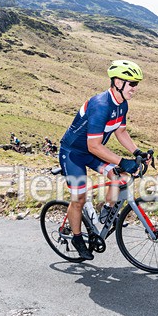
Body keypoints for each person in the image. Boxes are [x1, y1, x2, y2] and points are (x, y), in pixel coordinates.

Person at [59, 59, 148, 260]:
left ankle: (106, 213)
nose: (135, 88)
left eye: (137, 84)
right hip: (73, 153)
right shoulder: (100, 105)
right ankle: (77, 237)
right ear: (118, 82)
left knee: (118, 176)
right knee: (79, 197)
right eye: (132, 83)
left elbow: (121, 131)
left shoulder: (122, 104)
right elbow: (94, 146)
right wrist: (122, 161)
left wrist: (137, 153)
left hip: (91, 152)